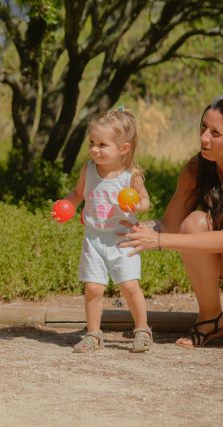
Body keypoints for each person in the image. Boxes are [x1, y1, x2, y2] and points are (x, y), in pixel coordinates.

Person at [121, 97, 223, 348]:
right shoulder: (197, 169)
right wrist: (120, 227)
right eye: (202, 127)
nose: (204, 139)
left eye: (215, 133)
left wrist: (159, 241)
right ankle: (211, 319)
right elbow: (168, 224)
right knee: (193, 224)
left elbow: (163, 236)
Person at [52, 108, 153, 353]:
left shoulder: (131, 176)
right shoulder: (88, 170)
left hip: (123, 238)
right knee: (93, 288)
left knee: (129, 287)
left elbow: (145, 202)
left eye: (102, 144)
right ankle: (94, 334)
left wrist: (135, 205)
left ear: (123, 149)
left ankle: (142, 329)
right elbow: (77, 194)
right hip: (94, 238)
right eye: (92, 143)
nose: (95, 149)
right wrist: (67, 207)